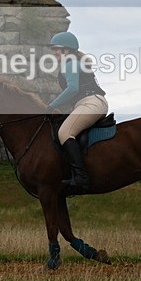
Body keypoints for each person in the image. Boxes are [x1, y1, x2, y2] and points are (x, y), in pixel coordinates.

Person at [47, 31, 108, 195]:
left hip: (90, 103)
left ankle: (81, 177)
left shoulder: (71, 63)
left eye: (57, 49)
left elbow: (72, 89)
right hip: (89, 103)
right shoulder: (75, 62)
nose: (55, 53)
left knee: (65, 132)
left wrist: (51, 106)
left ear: (67, 50)